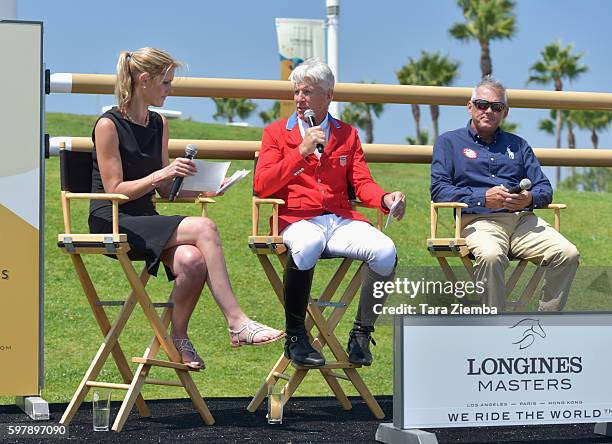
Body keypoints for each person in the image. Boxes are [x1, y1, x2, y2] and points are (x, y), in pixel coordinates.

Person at [88, 47, 284, 369]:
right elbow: (116, 191)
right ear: (144, 80)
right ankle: (236, 321)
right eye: (166, 83)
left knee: (192, 261)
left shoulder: (158, 124)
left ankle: (179, 338)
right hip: (111, 218)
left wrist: (196, 187)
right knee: (205, 228)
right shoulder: (108, 125)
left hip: (144, 218)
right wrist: (162, 173)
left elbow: (162, 188)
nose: (171, 89)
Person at [254, 58, 406, 368]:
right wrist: (300, 152)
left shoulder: (347, 134)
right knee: (307, 244)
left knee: (386, 250)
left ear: (328, 95)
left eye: (307, 92)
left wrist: (385, 198)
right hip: (294, 218)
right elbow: (262, 185)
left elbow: (361, 182)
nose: (299, 99)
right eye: (296, 91)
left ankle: (362, 332)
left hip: (338, 217)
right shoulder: (276, 133)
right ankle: (296, 336)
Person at [430, 77, 579, 311]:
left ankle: (546, 327)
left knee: (568, 253)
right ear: (470, 107)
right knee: (490, 256)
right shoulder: (449, 142)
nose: (488, 110)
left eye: (496, 107)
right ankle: (493, 331)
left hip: (522, 221)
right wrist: (482, 198)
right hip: (478, 220)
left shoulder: (519, 145)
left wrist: (528, 198)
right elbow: (439, 190)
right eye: (481, 104)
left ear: (505, 112)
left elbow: (544, 188)